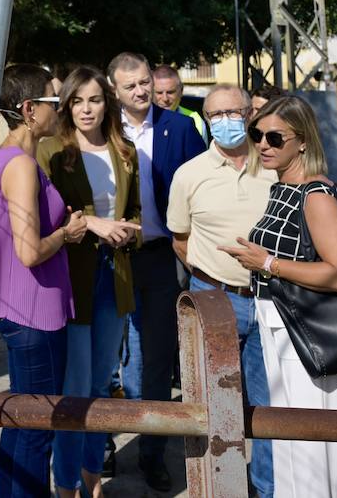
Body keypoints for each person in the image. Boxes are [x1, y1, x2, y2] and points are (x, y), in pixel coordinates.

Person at [221, 95, 337, 498]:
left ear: (302, 142)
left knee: (314, 449)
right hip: (280, 330)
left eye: (275, 137)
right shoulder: (282, 187)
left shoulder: (315, 195)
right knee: (291, 445)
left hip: (309, 337)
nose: (262, 145)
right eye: (257, 134)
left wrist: (267, 263)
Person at [0, 63, 86, 498]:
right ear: (29, 109)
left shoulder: (9, 158)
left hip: (25, 311)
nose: (62, 109)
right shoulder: (20, 165)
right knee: (37, 428)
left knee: (22, 423)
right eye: (55, 100)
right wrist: (67, 234)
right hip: (33, 313)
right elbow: (29, 251)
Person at [38, 67, 142, 498]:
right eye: (77, 101)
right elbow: (47, 213)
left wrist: (128, 231)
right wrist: (96, 224)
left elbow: (135, 212)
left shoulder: (125, 150)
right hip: (72, 278)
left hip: (114, 276)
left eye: (94, 100)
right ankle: (66, 485)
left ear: (107, 103)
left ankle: (92, 478)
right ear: (66, 106)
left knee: (101, 385)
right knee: (75, 388)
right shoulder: (51, 149)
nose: (86, 109)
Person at [167, 83, 275, 498]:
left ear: (250, 115)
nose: (225, 121)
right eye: (215, 114)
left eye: (233, 112)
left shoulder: (274, 167)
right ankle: (218, 487)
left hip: (271, 300)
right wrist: (213, 276)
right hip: (214, 299)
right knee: (214, 405)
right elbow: (181, 241)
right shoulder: (189, 174)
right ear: (206, 120)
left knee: (267, 407)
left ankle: (265, 488)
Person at [108, 51, 206, 492]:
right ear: (115, 90)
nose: (141, 91)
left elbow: (202, 185)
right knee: (106, 359)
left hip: (160, 258)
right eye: (130, 85)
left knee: (156, 358)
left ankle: (152, 452)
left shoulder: (179, 128)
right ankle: (100, 445)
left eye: (144, 82)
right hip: (110, 260)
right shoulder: (102, 128)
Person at [152, 65, 206, 139]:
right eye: (159, 93)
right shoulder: (142, 119)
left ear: (181, 91)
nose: (165, 99)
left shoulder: (195, 119)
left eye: (170, 92)